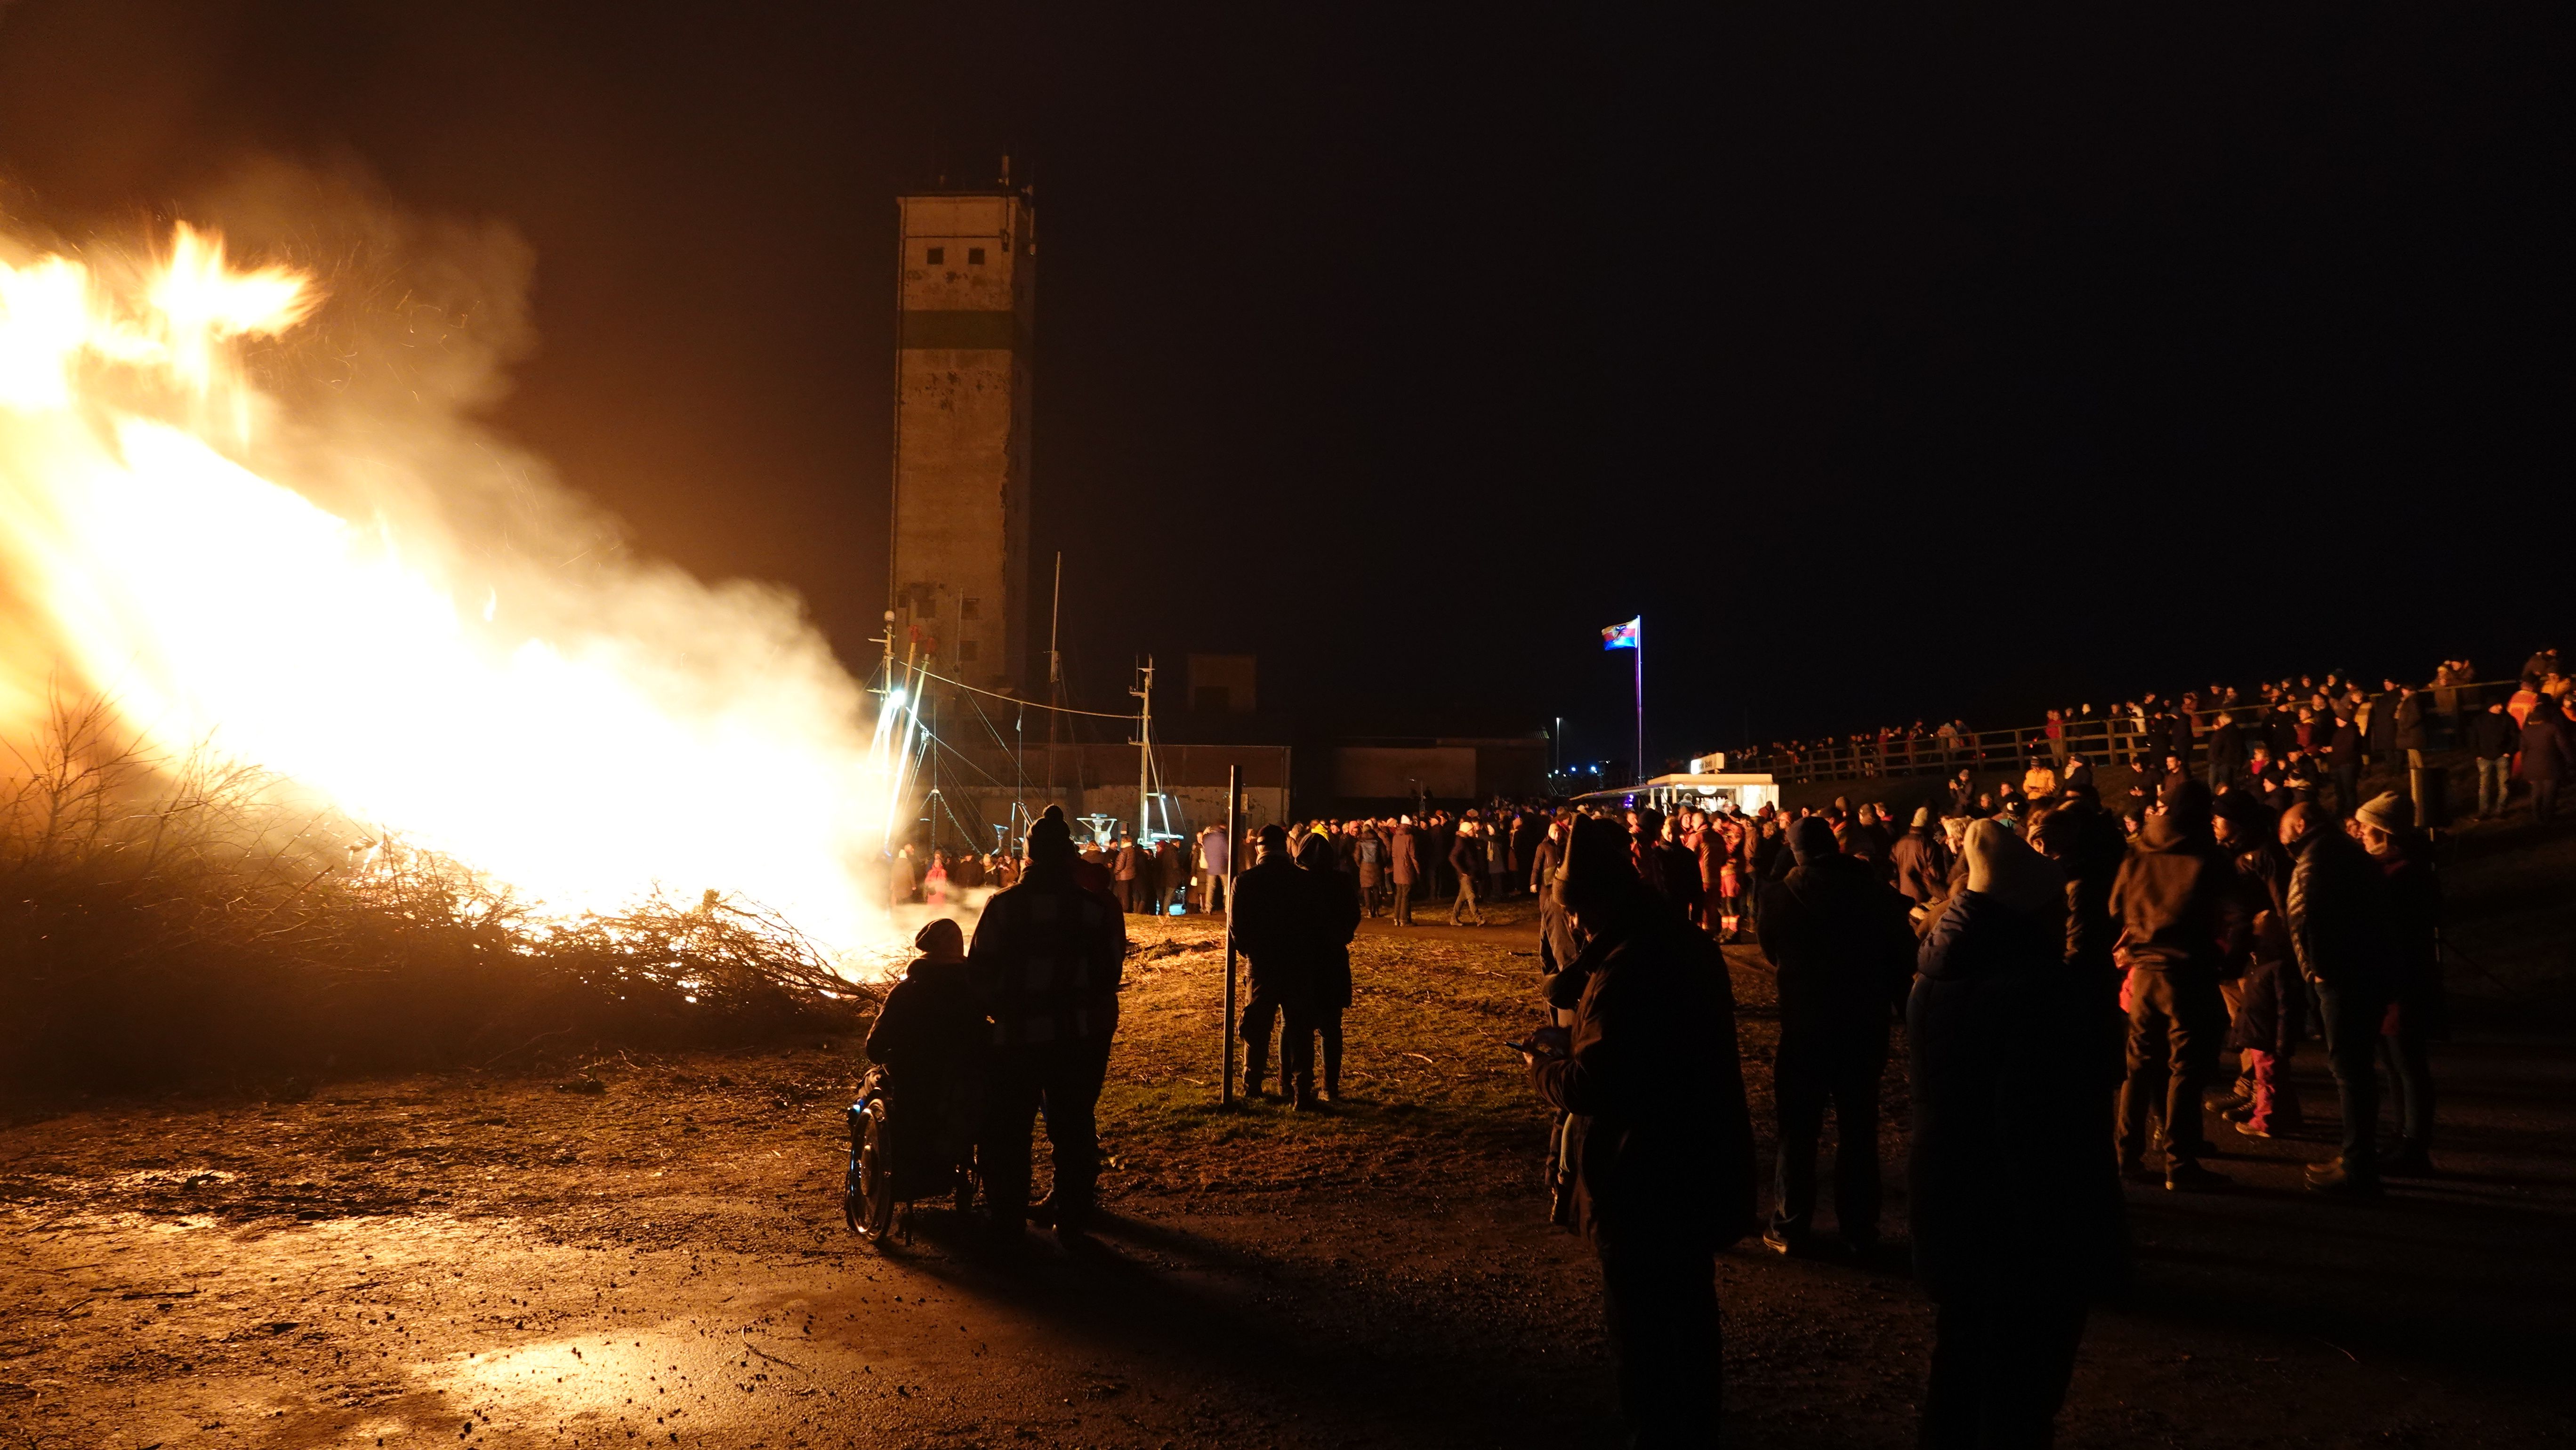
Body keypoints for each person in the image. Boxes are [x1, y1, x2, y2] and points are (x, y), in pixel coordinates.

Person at [1527, 816, 1756, 1446]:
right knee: (1689, 1316)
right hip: (1696, 1157)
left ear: (1593, 903)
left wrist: (1545, 1067)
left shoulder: (1630, 966)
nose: (1572, 927)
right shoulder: (1676, 943)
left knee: (1646, 1331)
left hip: (1645, 1174)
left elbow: (1600, 1081)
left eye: (1574, 913)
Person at [1911, 820, 2124, 1450]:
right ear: (2025, 913)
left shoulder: (1936, 977)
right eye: (2053, 906)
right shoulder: (2036, 995)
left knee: (1958, 1373)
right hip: (2017, 1228)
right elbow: (2040, 1130)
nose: (2064, 916)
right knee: (2019, 1396)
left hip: (1950, 1201)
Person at [1755, 816, 1916, 1257]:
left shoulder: (1780, 896)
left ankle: (1790, 1226)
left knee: (1798, 1129)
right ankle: (1860, 1228)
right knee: (1859, 1127)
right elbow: (1903, 954)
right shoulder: (1874, 893)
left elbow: (1771, 951)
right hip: (1863, 1025)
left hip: (1805, 1025)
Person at [969, 807, 1127, 1246]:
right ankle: (1072, 1219)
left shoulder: (1003, 907)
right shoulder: (1094, 910)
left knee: (1008, 1131)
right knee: (1074, 1126)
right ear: (1069, 857)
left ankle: (1006, 1222)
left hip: (1017, 1038)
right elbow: (1109, 975)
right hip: (1077, 1038)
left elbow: (979, 973)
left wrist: (1002, 1009)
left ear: (1031, 856)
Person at [2107, 780, 2233, 1190]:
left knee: (2138, 1068)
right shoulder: (2208, 857)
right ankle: (2180, 1163)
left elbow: (2114, 907)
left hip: (2143, 974)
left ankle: (2127, 1157)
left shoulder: (2138, 851)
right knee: (2186, 1068)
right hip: (2188, 973)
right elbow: (2233, 912)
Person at [2279, 801, 2391, 1195]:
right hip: (2355, 971)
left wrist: (2321, 969)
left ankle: (2359, 1166)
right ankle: (2355, 1156)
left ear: (2302, 825)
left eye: (2285, 827)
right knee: (2352, 1068)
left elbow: (2313, 915)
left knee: (2350, 1069)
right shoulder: (2334, 850)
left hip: (2344, 976)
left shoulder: (2321, 858)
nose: (2282, 836)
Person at [862, 919, 991, 1174]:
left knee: (869, 1082)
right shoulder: (975, 991)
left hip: (915, 1088)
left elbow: (874, 1048)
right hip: (966, 1086)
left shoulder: (905, 992)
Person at [2359, 792, 2442, 1176]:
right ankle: (2400, 1135)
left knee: (2408, 1063)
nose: (2360, 833)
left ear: (2383, 830)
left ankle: (2415, 1144)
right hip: (2386, 979)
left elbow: (2400, 931)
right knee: (2392, 1063)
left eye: (2365, 826)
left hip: (2402, 981)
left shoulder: (2406, 874)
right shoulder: (2386, 869)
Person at [1233, 824, 1327, 1108]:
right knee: (1299, 1028)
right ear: (1285, 846)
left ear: (1258, 848)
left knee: (1257, 1026)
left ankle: (1253, 1084)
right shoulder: (1303, 880)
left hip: (1262, 964)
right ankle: (1302, 1090)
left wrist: (1250, 953)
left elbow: (1237, 927)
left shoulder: (1246, 880)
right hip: (1298, 963)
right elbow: (1315, 923)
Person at [1297, 832, 1364, 1103]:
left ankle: (1297, 1085)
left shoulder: (1298, 882)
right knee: (1331, 1027)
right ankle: (1329, 1085)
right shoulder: (1341, 881)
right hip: (1333, 959)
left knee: (1299, 1026)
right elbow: (1353, 914)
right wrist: (1342, 935)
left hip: (1303, 961)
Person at [2521, 696, 2570, 821]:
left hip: (2532, 766)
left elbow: (2523, 750)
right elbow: (2564, 746)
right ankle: (2548, 816)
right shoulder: (2553, 728)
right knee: (2550, 792)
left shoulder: (2526, 731)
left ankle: (2537, 815)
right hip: (2551, 765)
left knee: (2536, 792)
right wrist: (2571, 760)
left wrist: (2525, 766)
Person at [2469, 701, 2519, 818]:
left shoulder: (2508, 720)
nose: (2501, 707)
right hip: (2485, 758)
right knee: (2484, 786)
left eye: (2501, 704)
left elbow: (2516, 737)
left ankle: (2500, 811)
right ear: (2490, 707)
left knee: (2504, 785)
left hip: (2502, 757)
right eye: (2497, 705)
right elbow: (2473, 737)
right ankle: (2484, 812)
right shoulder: (2479, 721)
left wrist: (2509, 752)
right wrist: (2477, 754)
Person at [1449, 819, 1489, 926]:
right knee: (1471, 896)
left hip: (1470, 872)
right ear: (1466, 831)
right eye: (1471, 830)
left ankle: (1454, 918)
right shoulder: (1461, 842)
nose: (1473, 831)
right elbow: (1453, 857)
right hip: (1466, 875)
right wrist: (1463, 871)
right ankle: (1478, 918)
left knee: (1462, 898)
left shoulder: (1468, 840)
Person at [1389, 816, 1421, 926]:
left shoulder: (1395, 837)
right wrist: (1418, 870)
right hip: (1407, 868)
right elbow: (1413, 856)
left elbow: (1393, 854)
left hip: (1398, 868)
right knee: (1406, 895)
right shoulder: (1410, 837)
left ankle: (1396, 918)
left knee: (1399, 894)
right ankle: (1404, 920)